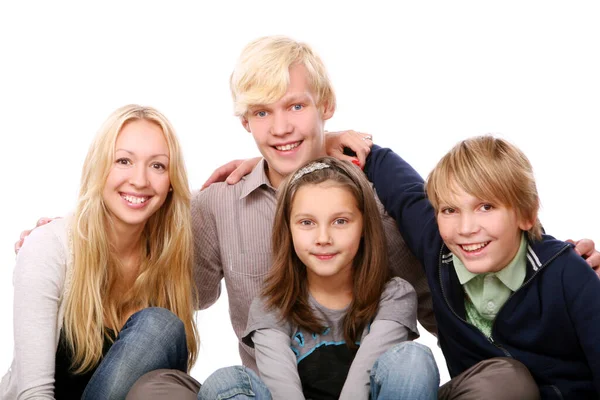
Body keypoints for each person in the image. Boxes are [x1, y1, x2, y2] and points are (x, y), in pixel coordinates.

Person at [360, 135, 600, 399]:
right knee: (504, 381)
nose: (466, 229)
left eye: (486, 207)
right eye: (449, 210)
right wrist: (335, 140)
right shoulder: (437, 247)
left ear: (526, 214)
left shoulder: (567, 273)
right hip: (482, 392)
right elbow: (400, 188)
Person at [1, 105, 199, 400]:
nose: (140, 180)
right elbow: (34, 393)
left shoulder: (172, 257)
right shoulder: (49, 248)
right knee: (158, 325)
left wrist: (260, 165)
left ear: (172, 183)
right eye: (123, 161)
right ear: (98, 168)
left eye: (157, 165)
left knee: (165, 332)